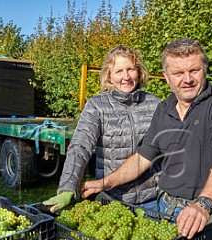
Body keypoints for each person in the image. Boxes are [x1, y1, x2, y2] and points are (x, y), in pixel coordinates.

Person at [81, 37, 212, 240]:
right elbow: (143, 158)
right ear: (166, 77)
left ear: (204, 70)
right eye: (178, 73)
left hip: (200, 212)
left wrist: (204, 203)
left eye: (194, 70)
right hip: (162, 205)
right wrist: (104, 182)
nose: (187, 79)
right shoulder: (164, 108)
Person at [43, 45, 161, 213]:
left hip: (152, 199)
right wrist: (68, 187)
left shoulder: (154, 104)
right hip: (113, 200)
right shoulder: (96, 106)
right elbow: (80, 147)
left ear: (139, 72)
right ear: (109, 76)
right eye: (119, 71)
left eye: (131, 69)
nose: (126, 77)